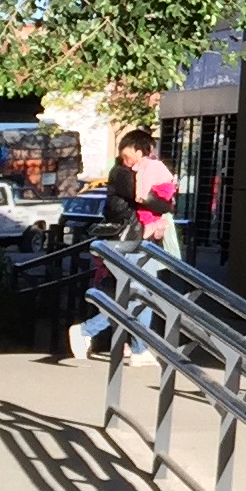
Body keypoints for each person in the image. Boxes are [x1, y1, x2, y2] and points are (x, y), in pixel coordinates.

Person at [65, 130, 180, 362]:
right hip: (130, 241)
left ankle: (137, 347)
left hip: (138, 240)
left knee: (139, 295)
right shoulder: (124, 173)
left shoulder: (136, 170)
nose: (127, 159)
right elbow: (148, 200)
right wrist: (166, 202)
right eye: (125, 155)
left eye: (129, 155)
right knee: (138, 295)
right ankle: (91, 332)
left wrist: (164, 200)